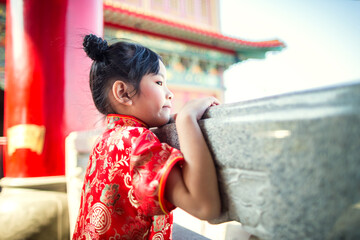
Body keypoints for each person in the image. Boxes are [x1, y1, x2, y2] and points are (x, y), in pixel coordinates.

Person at [72, 34, 221, 240]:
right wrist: (187, 119)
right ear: (123, 93)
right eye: (159, 82)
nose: (170, 94)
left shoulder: (106, 140)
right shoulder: (136, 142)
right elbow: (205, 206)